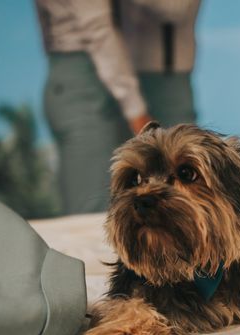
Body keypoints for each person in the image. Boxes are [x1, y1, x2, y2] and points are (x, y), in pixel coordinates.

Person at [35, 0, 200, 214]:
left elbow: (175, 9)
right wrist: (136, 112)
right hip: (89, 74)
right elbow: (97, 26)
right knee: (95, 210)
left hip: (134, 73)